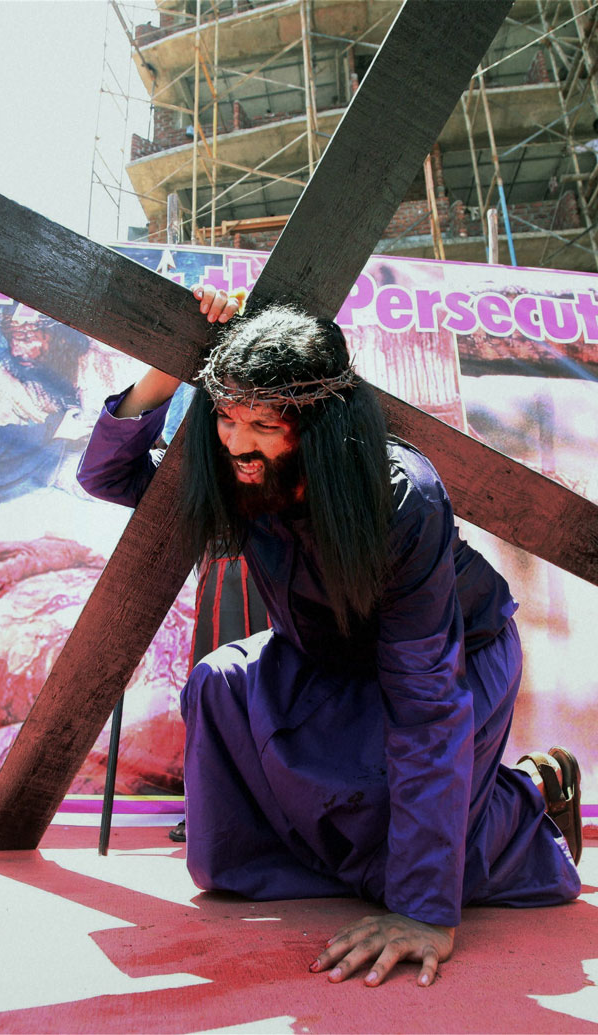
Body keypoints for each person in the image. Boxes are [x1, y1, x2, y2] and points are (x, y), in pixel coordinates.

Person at [77, 284, 582, 987]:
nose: (236, 442)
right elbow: (107, 474)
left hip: (453, 662)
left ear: (316, 424)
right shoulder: (232, 466)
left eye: (262, 424)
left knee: (412, 857)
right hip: (324, 660)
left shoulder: (401, 496)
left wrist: (422, 911)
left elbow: (426, 702)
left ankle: (530, 795)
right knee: (221, 685)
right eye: (226, 416)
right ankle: (371, 852)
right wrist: (174, 363)